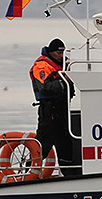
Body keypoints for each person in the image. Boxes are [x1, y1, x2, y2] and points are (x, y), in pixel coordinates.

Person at [29, 38, 79, 175]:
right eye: (58, 53)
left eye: (63, 53)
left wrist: (75, 60)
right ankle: (27, 172)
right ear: (51, 52)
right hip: (49, 110)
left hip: (63, 109)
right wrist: (64, 80)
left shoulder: (63, 63)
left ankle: (68, 173)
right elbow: (44, 88)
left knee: (66, 144)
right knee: (43, 143)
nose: (61, 55)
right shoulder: (42, 66)